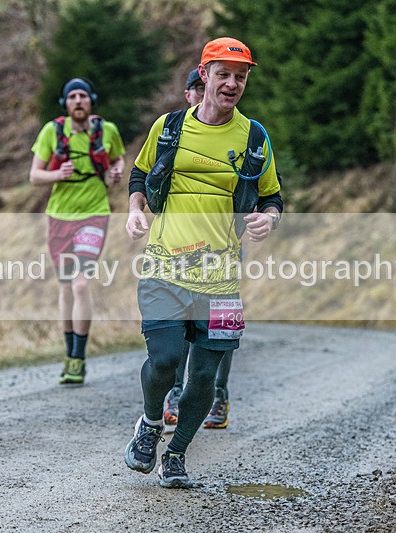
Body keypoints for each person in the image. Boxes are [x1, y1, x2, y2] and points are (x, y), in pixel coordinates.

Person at [124, 38, 283, 488]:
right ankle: (151, 424)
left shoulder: (254, 137)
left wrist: (266, 220)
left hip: (221, 279)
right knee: (167, 359)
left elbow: (273, 197)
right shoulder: (170, 127)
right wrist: (136, 209)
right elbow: (140, 173)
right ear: (205, 75)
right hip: (163, 268)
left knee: (206, 378)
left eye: (241, 76)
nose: (232, 83)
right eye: (224, 74)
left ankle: (175, 454)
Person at [29, 77, 125, 385]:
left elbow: (118, 157)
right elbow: (34, 176)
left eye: (84, 95)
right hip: (59, 216)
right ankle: (69, 353)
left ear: (91, 101)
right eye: (73, 97)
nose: (79, 101)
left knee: (81, 285)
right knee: (66, 287)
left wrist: (117, 169)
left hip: (94, 215)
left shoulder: (106, 131)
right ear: (66, 104)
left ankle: (79, 358)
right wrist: (58, 173)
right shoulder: (52, 132)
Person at [162, 68, 235, 432]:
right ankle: (176, 394)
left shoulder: (243, 134)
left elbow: (269, 188)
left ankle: (217, 394)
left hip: (224, 251)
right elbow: (147, 177)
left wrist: (263, 217)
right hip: (177, 252)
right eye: (192, 88)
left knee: (217, 330)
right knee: (181, 325)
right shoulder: (174, 133)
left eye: (199, 86)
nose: (195, 93)